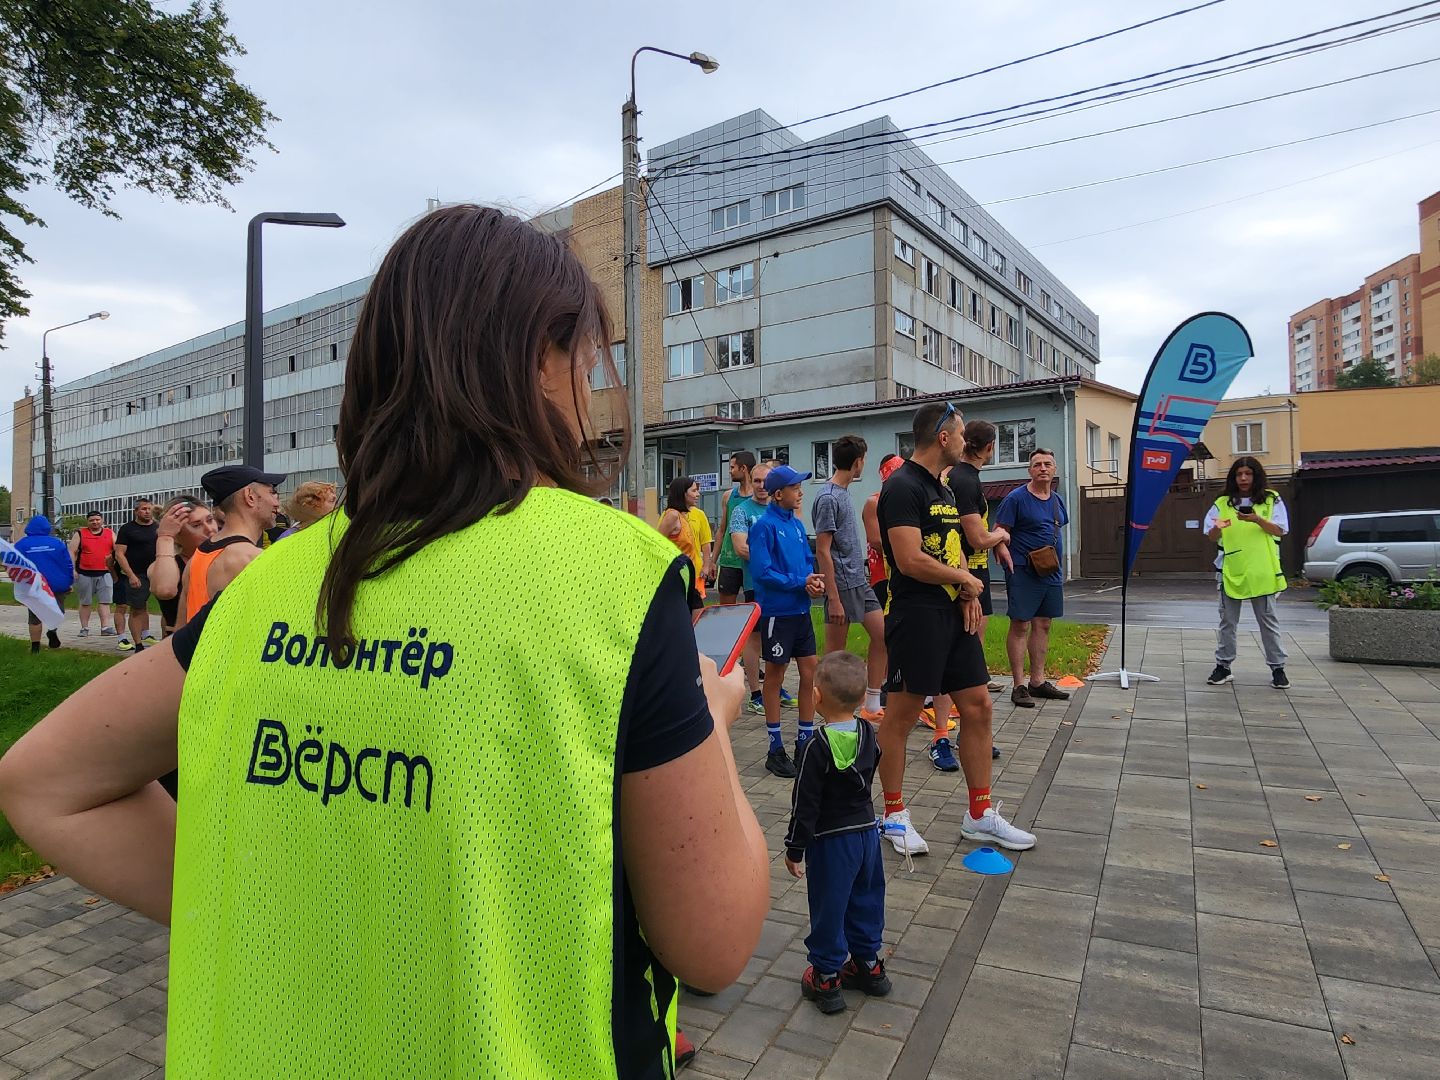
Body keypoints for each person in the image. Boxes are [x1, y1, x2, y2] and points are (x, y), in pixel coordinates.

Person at [0, 204, 770, 1078]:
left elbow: (43, 784)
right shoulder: (613, 575)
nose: (591, 399)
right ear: (540, 363)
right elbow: (714, 943)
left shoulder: (276, 582)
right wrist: (704, 722)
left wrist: (262, 909)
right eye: (588, 364)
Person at [877, 402, 1035, 856]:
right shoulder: (902, 486)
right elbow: (908, 559)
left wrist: (968, 591)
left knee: (979, 706)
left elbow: (953, 547)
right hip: (914, 617)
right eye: (962, 434)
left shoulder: (944, 489)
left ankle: (980, 815)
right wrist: (963, 580)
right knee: (902, 717)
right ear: (943, 437)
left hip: (953, 615)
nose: (967, 443)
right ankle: (893, 815)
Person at [783, 651, 889, 1015]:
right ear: (862, 699)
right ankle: (868, 964)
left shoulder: (816, 745)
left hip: (832, 841)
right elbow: (875, 761)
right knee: (866, 895)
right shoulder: (867, 731)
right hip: (867, 834)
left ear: (815, 698)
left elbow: (805, 804)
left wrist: (794, 848)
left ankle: (827, 975)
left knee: (830, 904)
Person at [748, 464, 827, 778]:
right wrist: (800, 581)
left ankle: (805, 742)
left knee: (810, 671)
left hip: (801, 613)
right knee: (776, 677)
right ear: (779, 494)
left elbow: (808, 563)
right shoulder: (763, 526)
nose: (800, 492)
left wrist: (815, 583)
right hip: (776, 614)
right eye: (795, 488)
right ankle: (775, 747)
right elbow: (762, 572)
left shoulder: (795, 525)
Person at [948, 420, 1014, 762]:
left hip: (973, 571)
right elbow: (975, 537)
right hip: (967, 574)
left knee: (969, 652)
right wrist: (1000, 536)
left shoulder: (962, 477)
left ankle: (965, 731)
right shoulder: (964, 479)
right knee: (967, 656)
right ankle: (959, 733)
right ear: (989, 447)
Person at [812, 435, 887, 725]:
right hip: (841, 586)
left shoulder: (843, 493)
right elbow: (823, 549)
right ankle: (828, 714)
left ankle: (871, 703)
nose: (864, 465)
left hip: (860, 581)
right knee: (834, 657)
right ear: (857, 462)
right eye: (864, 460)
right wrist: (833, 597)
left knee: (883, 635)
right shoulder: (829, 497)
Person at [995, 448, 1072, 710]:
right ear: (1029, 470)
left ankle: (1037, 682)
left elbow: (1059, 527)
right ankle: (1018, 685)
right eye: (1037, 464)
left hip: (1050, 571)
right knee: (1021, 625)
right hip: (1023, 571)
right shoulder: (1015, 499)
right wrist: (1002, 551)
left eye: (1047, 464)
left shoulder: (1057, 500)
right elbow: (999, 531)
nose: (1042, 468)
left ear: (1054, 469)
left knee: (1044, 623)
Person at [1205, 456, 1290, 689]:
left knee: (1268, 622)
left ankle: (1278, 668)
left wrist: (1256, 519)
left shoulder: (1272, 500)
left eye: (1248, 473)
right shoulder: (1222, 503)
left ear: (1256, 475)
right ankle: (1223, 666)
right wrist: (1217, 527)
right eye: (1239, 474)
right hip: (1232, 570)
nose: (1243, 478)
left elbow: (1281, 530)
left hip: (1262, 570)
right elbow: (1211, 535)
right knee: (1227, 622)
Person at [178, 465, 287, 627]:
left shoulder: (197, 558)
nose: (276, 502)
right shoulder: (252, 559)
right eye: (272, 492)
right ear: (250, 496)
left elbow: (180, 631)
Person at [726, 461, 773, 712]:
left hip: (781, 588)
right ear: (751, 481)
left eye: (766, 481)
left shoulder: (779, 509)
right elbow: (741, 548)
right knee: (754, 639)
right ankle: (756, 693)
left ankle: (774, 688)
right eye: (757, 481)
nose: (762, 486)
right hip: (755, 584)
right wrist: (775, 557)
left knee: (776, 637)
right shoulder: (742, 511)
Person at [150, 498, 218, 637]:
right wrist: (165, 537)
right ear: (177, 535)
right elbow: (165, 590)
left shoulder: (226, 556)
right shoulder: (169, 565)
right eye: (196, 525)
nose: (209, 529)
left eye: (210, 520)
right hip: (183, 646)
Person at [15, 515, 72, 653]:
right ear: (47, 527)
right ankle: (52, 630)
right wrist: (69, 582)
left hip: (33, 584)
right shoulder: (57, 543)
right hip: (57, 583)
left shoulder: (21, 544)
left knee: (35, 615)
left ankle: (35, 648)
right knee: (56, 610)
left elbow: (14, 565)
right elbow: (67, 564)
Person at [114, 499, 159, 652]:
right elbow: (119, 554)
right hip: (137, 573)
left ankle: (164, 639)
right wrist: (131, 575)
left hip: (156, 572)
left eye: (149, 509)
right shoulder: (128, 529)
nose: (147, 511)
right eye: (143, 509)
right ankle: (138, 643)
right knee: (137, 608)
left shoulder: (158, 527)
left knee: (165, 607)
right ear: (136, 511)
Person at [659, 476, 707, 610]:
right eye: (694, 491)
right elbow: (657, 543)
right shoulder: (672, 516)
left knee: (698, 618)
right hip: (677, 579)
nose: (698, 494)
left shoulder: (683, 515)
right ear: (683, 493)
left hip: (689, 578)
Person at [716, 451, 757, 603]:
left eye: (732, 467)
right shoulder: (728, 496)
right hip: (729, 561)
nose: (730, 471)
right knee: (726, 611)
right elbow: (722, 530)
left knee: (754, 609)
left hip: (752, 560)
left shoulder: (761, 497)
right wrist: (713, 561)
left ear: (743, 468)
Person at [68, 510, 116, 637]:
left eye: (97, 519)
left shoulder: (109, 533)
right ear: (87, 522)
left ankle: (105, 627)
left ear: (102, 521)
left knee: (105, 601)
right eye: (92, 520)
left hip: (105, 572)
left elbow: (118, 550)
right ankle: (84, 628)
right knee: (85, 602)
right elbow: (72, 552)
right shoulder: (80, 534)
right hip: (84, 573)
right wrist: (72, 570)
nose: (95, 522)